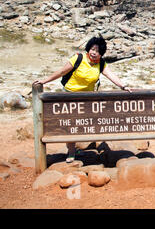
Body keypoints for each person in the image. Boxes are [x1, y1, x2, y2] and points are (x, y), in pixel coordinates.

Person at [33, 35, 132, 163]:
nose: (94, 53)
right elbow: (61, 72)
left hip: (87, 99)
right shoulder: (78, 58)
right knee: (70, 125)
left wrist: (123, 86)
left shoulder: (101, 63)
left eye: (98, 51)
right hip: (70, 96)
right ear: (88, 48)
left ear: (101, 53)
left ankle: (78, 147)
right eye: (92, 49)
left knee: (85, 124)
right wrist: (44, 81)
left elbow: (110, 75)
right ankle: (71, 151)